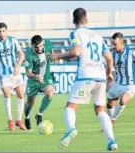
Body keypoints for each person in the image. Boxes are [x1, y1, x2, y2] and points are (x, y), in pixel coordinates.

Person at [50, 8, 118, 150]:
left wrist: (58, 56)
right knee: (100, 110)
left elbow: (76, 52)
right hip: (100, 77)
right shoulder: (98, 36)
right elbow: (109, 58)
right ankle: (111, 140)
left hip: (85, 75)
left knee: (71, 107)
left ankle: (71, 129)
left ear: (73, 21)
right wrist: (109, 72)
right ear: (86, 19)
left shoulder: (76, 33)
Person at [0, 22, 26, 131]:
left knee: (21, 95)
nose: (1, 33)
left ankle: (19, 120)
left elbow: (22, 54)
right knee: (7, 94)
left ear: (6, 31)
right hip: (3, 74)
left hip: (15, 73)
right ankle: (10, 121)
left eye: (3, 31)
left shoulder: (13, 41)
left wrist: (18, 66)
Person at [24, 35, 54, 130]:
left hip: (46, 77)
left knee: (49, 93)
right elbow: (28, 73)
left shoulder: (48, 44)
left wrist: (53, 55)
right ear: (32, 45)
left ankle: (39, 114)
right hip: (33, 80)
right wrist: (36, 76)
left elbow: (51, 51)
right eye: (37, 47)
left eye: (41, 46)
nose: (39, 49)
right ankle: (27, 116)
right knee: (30, 104)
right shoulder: (28, 54)